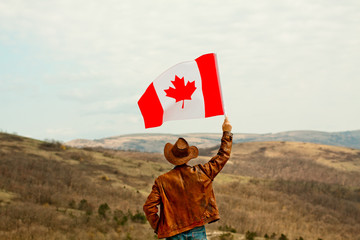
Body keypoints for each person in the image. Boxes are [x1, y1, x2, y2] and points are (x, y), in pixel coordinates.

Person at [143, 116, 233, 239]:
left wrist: (159, 227)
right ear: (188, 156)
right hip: (197, 229)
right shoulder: (203, 173)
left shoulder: (162, 181)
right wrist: (226, 132)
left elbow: (149, 207)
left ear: (172, 158)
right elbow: (223, 156)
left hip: (173, 233)